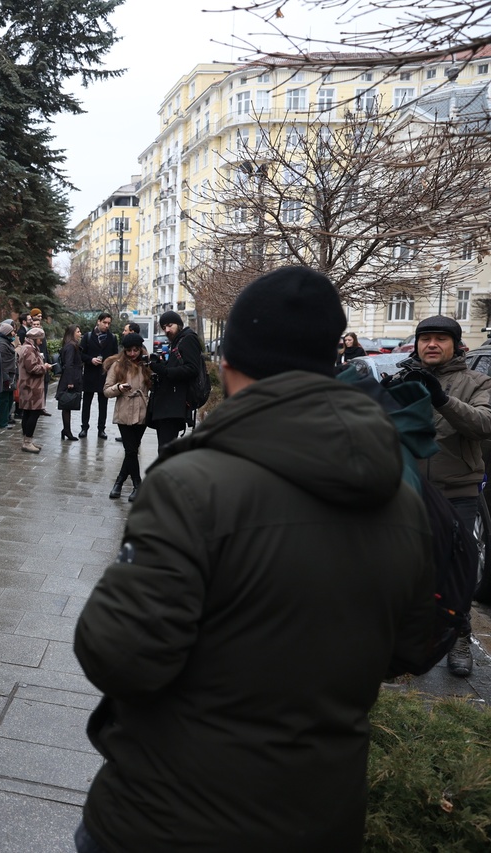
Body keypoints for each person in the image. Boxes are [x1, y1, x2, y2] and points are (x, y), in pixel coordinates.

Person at [73, 266, 434, 853]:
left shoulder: (191, 484)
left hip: (169, 814)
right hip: (319, 812)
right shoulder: (400, 494)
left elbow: (118, 655)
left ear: (228, 363)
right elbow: (415, 644)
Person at [392, 315, 491, 676]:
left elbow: (484, 423)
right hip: (408, 492)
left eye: (440, 339)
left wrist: (442, 399)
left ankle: (460, 636)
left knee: (457, 571)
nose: (431, 344)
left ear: (456, 345)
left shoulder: (478, 381)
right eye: (425, 338)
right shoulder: (404, 377)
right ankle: (405, 639)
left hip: (458, 493)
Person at [102, 333, 152, 501]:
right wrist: (119, 387)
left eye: (136, 350)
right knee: (130, 450)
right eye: (129, 350)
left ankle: (119, 482)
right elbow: (106, 390)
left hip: (143, 411)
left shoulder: (147, 363)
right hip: (124, 411)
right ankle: (137, 485)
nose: (132, 354)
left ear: (141, 349)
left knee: (132, 450)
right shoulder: (117, 366)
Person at [147, 310, 204, 449]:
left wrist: (165, 371)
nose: (167, 330)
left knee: (165, 450)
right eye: (164, 327)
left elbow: (192, 369)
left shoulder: (188, 339)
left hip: (173, 405)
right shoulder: (177, 341)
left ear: (179, 324)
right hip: (168, 404)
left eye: (170, 325)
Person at [79, 312, 118, 438]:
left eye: (108, 323)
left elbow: (115, 356)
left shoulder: (112, 338)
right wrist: (91, 360)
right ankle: (84, 427)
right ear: (98, 321)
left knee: (103, 404)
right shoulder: (88, 336)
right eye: (104, 322)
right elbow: (81, 354)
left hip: (104, 375)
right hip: (90, 374)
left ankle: (101, 429)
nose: (106, 325)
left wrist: (108, 364)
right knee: (86, 403)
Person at [16, 326, 50, 453]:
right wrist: (45, 367)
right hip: (31, 387)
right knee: (33, 414)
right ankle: (27, 441)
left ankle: (27, 439)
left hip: (29, 386)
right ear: (34, 339)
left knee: (28, 413)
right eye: (40, 339)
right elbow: (32, 368)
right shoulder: (29, 349)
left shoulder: (27, 347)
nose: (41, 342)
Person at [56, 324, 84, 440]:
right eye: (78, 331)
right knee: (66, 404)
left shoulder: (71, 345)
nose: (80, 333)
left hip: (71, 377)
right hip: (71, 378)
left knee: (67, 405)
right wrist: (70, 381)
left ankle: (66, 430)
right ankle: (66, 430)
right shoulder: (71, 346)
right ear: (72, 333)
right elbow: (69, 364)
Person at [0, 321, 19, 429]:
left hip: (10, 374)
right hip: (5, 376)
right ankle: (1, 422)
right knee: (3, 400)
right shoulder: (2, 344)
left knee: (8, 398)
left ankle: (4, 420)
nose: (14, 334)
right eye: (12, 332)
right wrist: (5, 377)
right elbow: (2, 362)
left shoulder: (6, 341)